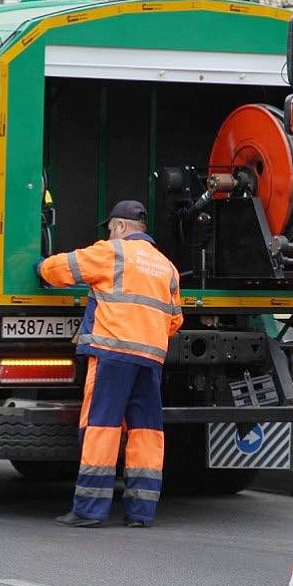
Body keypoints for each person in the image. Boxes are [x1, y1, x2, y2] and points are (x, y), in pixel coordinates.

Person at [36, 200, 183, 527]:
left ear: (119, 227)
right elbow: (175, 319)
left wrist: (38, 267)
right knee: (147, 432)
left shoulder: (113, 252)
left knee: (102, 428)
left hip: (113, 355)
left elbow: (62, 270)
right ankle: (141, 512)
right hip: (151, 359)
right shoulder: (166, 267)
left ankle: (89, 509)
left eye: (110, 229)